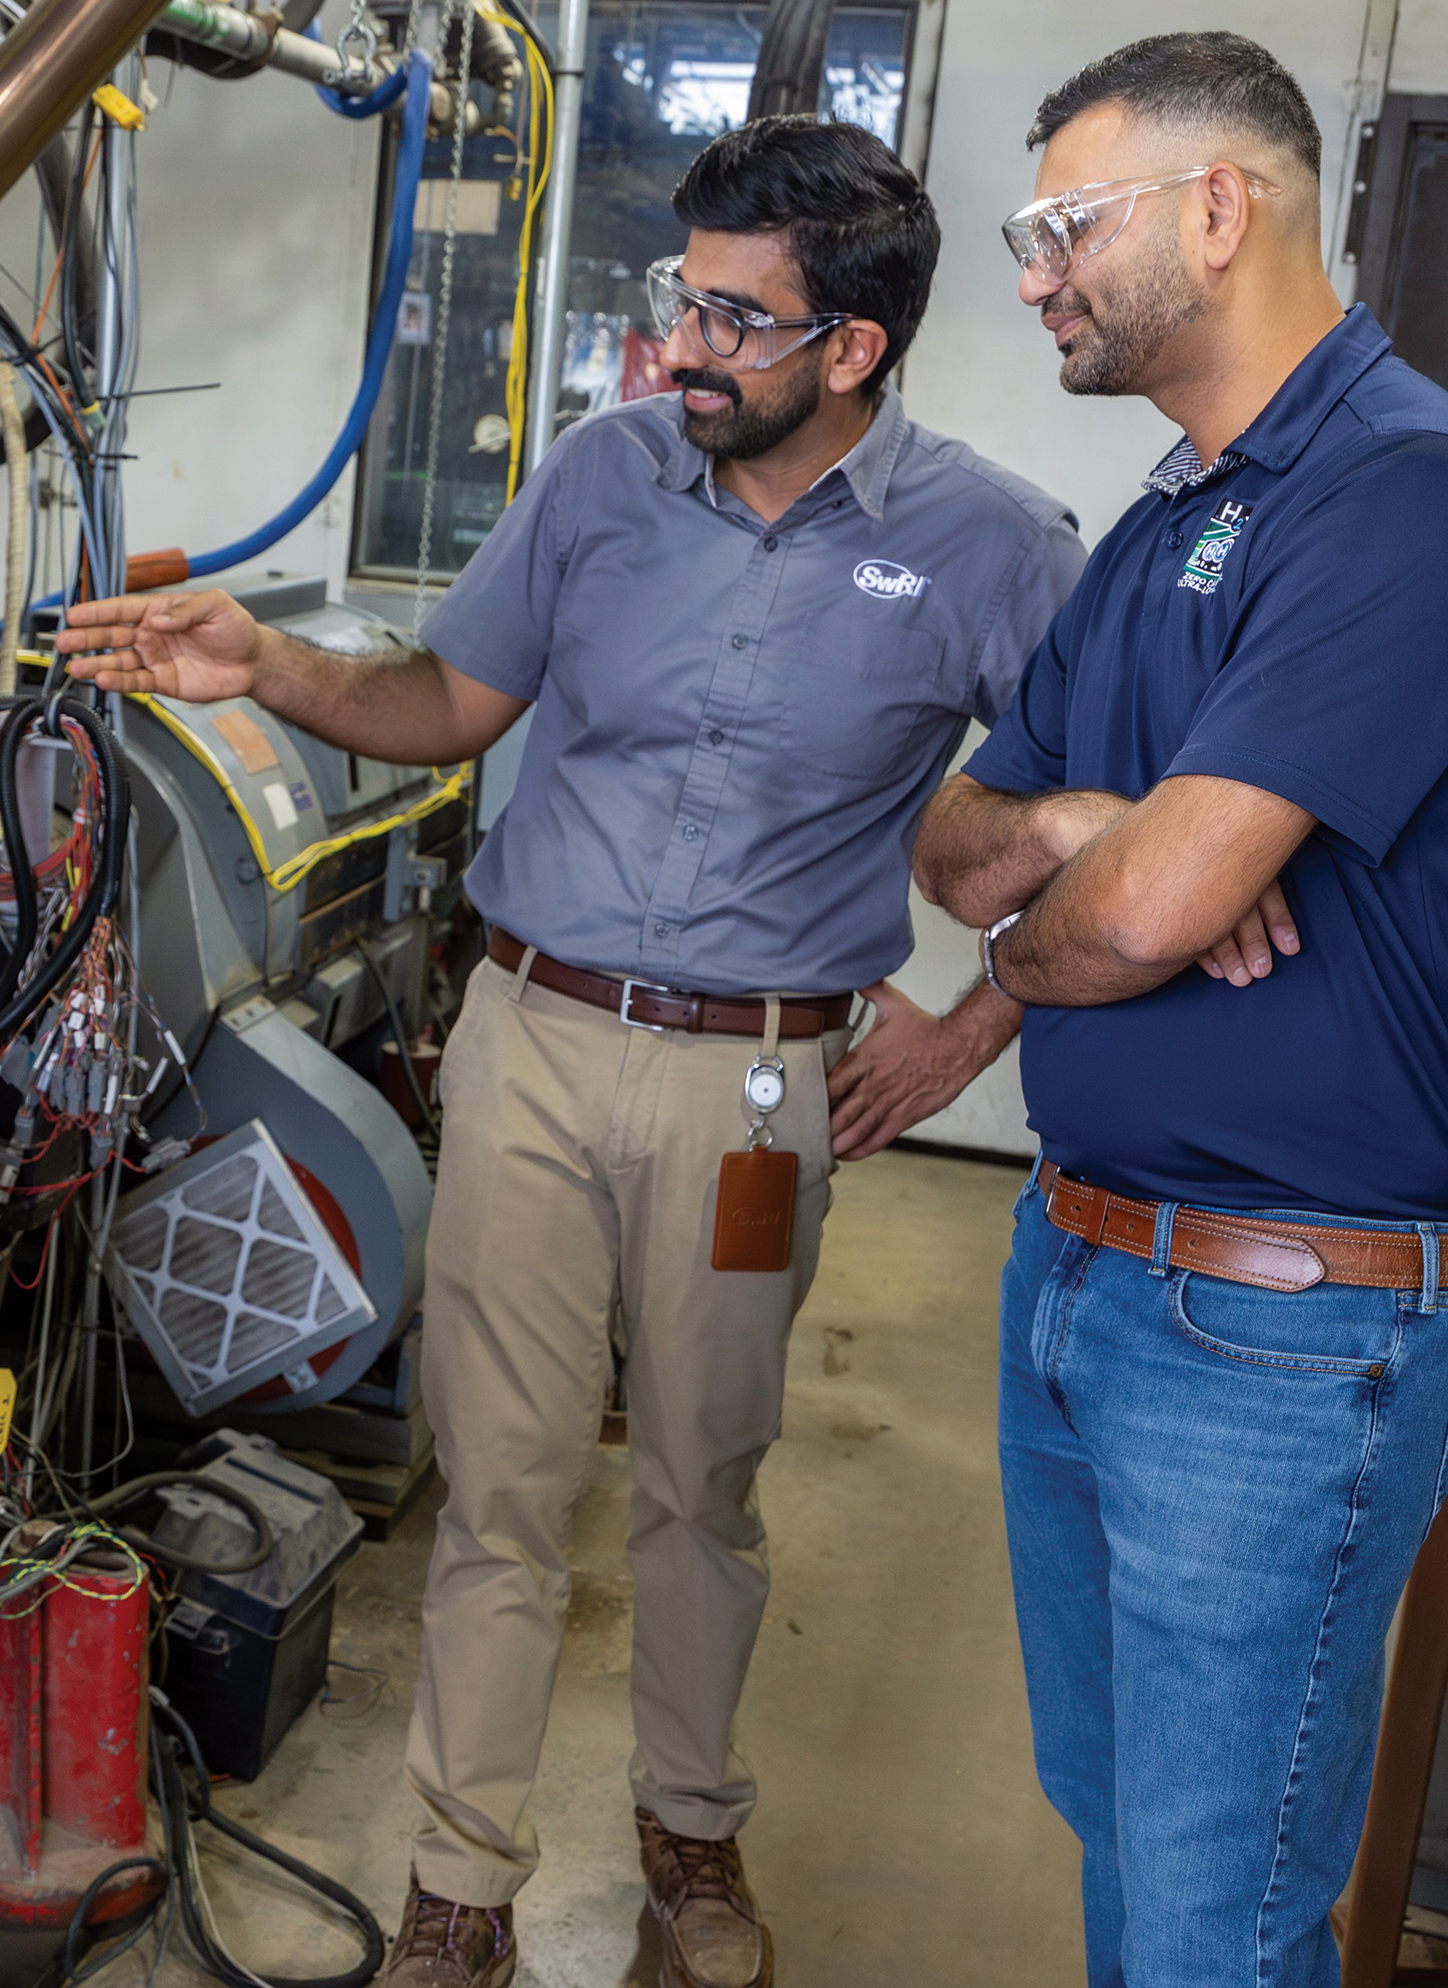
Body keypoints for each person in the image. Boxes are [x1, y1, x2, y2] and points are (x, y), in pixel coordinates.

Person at [60, 119, 1080, 1988]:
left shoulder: (994, 547)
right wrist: (266, 670)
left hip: (758, 1092)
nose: (673, 347)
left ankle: (691, 1846)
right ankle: (463, 1881)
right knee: (500, 1485)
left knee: (705, 1484)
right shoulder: (603, 479)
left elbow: (1096, 821)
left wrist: (980, 1019)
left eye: (726, 315)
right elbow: (448, 707)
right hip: (530, 1038)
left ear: (849, 350)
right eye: (674, 297)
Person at [908, 33, 1448, 1988]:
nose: (1032, 272)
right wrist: (1069, 835)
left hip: (1285, 1328)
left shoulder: (1417, 494)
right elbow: (954, 844)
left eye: (1064, 225)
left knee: (1220, 1905)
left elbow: (1142, 913)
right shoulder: (1161, 526)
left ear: (1223, 208)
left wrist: (1097, 920)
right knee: (1126, 1828)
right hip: (1089, 1270)